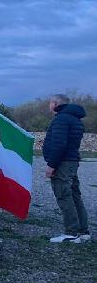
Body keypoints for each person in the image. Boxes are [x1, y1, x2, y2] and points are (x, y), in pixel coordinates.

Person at [43, 94, 90, 243]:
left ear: (55, 103)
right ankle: (83, 231)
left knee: (64, 195)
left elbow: (59, 144)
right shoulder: (75, 118)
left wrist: (51, 165)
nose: (49, 105)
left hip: (62, 163)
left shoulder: (61, 119)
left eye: (50, 102)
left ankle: (71, 233)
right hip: (71, 161)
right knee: (75, 195)